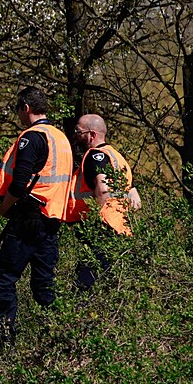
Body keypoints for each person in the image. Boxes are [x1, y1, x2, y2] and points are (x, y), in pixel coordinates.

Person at [0, 86, 74, 348]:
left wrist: (5, 208)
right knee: (44, 286)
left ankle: (5, 343)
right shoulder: (61, 138)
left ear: (25, 108)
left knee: (3, 280)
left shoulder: (32, 137)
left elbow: (20, 182)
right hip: (51, 220)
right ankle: (59, 342)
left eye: (18, 109)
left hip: (28, 218)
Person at [68, 113, 139, 290]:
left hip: (102, 228)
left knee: (85, 286)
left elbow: (102, 188)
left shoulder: (94, 156)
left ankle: (81, 317)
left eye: (78, 131)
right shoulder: (117, 158)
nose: (76, 135)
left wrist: (95, 221)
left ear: (91, 135)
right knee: (109, 284)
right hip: (121, 228)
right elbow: (136, 201)